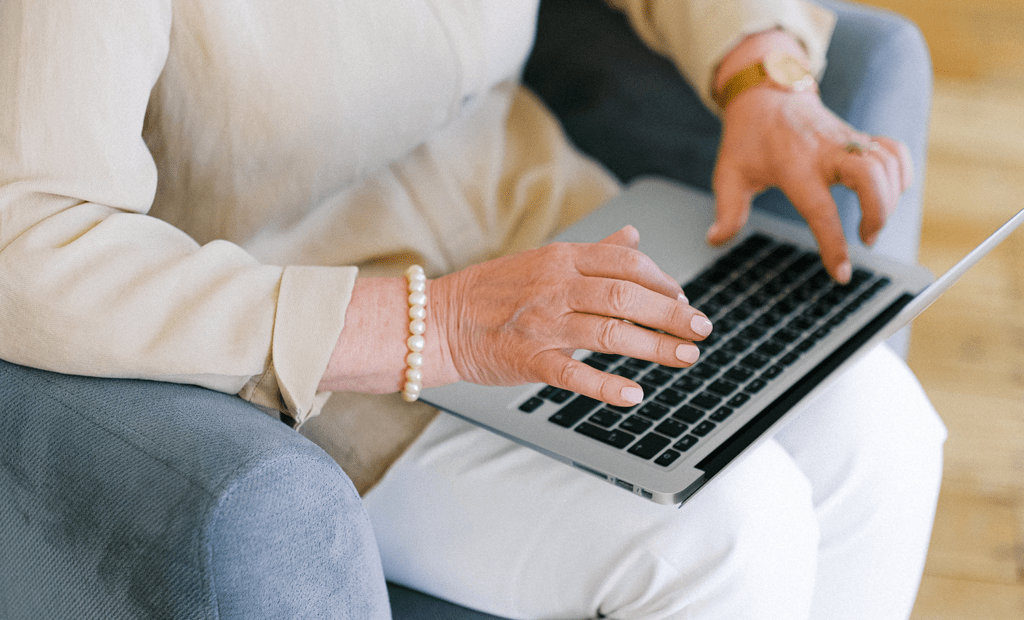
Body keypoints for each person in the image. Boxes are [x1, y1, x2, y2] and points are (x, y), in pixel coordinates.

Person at [0, 0, 945, 618]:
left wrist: (758, 67)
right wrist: (434, 326)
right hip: (318, 323)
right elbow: (24, 238)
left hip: (546, 222)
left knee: (883, 428)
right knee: (731, 530)